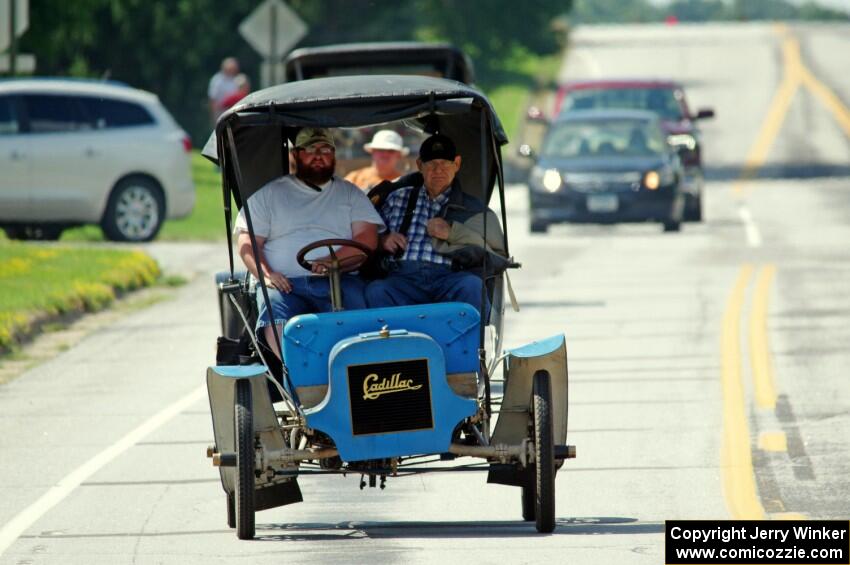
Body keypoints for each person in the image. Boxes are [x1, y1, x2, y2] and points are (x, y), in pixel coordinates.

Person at [234, 127, 385, 359]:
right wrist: (266, 275)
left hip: (339, 278)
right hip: (285, 285)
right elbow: (248, 242)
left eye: (325, 149)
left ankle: (360, 369)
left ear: (334, 155)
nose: (318, 155)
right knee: (273, 303)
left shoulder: (350, 194)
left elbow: (367, 238)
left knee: (361, 300)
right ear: (296, 155)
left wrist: (331, 262)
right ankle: (295, 378)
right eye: (310, 150)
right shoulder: (270, 194)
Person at [364, 134, 507, 316]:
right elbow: (364, 237)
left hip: (450, 278)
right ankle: (396, 344)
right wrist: (382, 240)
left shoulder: (475, 210)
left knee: (472, 286)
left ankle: (470, 345)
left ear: (457, 164)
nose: (438, 170)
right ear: (419, 166)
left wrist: (453, 233)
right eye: (431, 165)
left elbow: (496, 258)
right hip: (402, 280)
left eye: (445, 164)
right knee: (376, 290)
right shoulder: (397, 198)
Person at [344, 130, 409, 190]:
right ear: (372, 151)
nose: (385, 154)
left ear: (399, 155)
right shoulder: (354, 178)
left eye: (391, 151)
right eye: (381, 149)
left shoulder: (403, 184)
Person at [208, 57, 240, 124]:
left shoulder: (235, 80)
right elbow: (212, 99)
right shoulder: (217, 80)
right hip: (220, 112)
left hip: (232, 113)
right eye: (231, 69)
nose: (233, 71)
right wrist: (214, 116)